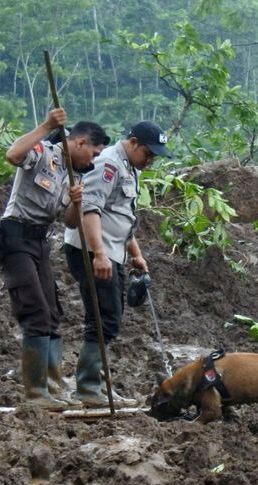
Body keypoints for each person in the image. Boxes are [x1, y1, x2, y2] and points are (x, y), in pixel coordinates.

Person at [0, 109, 109, 410]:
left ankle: (51, 388)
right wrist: (47, 125)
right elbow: (12, 155)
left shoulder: (73, 174)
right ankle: (35, 394)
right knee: (35, 311)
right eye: (94, 152)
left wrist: (77, 202)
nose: (95, 160)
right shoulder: (43, 153)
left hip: (40, 242)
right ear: (80, 142)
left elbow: (71, 222)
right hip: (15, 237)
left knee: (51, 313)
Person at [64, 121, 171, 407]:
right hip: (92, 250)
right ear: (133, 142)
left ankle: (97, 385)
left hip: (112, 250)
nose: (150, 160)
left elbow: (122, 215)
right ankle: (88, 388)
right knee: (103, 317)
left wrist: (135, 253)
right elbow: (89, 208)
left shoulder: (130, 167)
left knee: (109, 314)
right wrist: (98, 253)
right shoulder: (108, 164)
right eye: (148, 153)